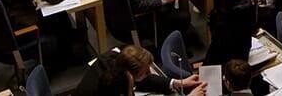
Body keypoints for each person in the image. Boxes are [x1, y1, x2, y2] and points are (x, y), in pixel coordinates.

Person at [74, 45, 203, 96]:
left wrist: (178, 83)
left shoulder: (117, 59)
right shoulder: (112, 88)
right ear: (131, 75)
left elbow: (143, 79)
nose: (149, 73)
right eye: (146, 72)